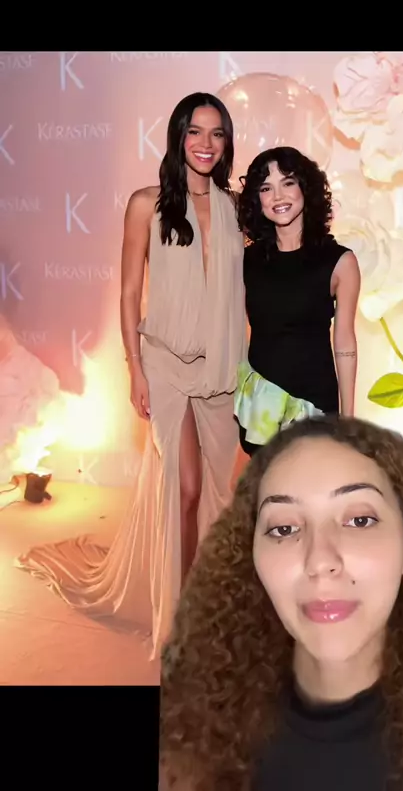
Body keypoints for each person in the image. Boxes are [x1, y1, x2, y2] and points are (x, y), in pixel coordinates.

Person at [16, 92, 247, 662]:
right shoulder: (147, 204)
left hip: (222, 369)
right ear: (177, 136)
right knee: (185, 488)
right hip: (165, 364)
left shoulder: (237, 209)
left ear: (227, 142)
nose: (206, 144)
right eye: (195, 131)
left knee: (217, 492)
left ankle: (210, 598)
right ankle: (184, 619)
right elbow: (127, 292)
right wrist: (134, 368)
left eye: (217, 133)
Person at [160, 414, 403, 790]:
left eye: (359, 520)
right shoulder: (195, 730)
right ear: (252, 558)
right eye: (284, 528)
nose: (320, 561)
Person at [234, 146, 361, 458]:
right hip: (261, 408)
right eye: (266, 188)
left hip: (315, 405)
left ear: (306, 187)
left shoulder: (340, 262)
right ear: (257, 199)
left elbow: (345, 342)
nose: (278, 196)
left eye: (288, 182)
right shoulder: (245, 260)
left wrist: (348, 419)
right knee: (266, 487)